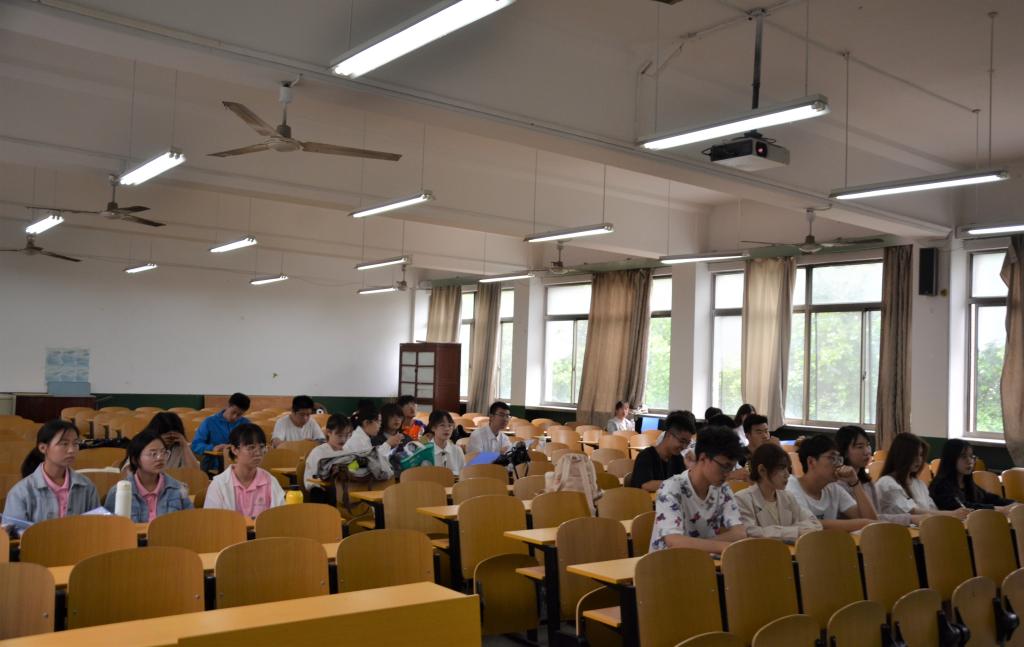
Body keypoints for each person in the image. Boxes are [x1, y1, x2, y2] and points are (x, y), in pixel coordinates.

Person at [649, 426, 747, 554]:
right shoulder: (671, 488)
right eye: (724, 466)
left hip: (704, 561)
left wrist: (699, 545)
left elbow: (739, 533)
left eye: (731, 468)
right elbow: (674, 542)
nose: (727, 474)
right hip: (668, 561)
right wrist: (724, 546)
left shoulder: (722, 489)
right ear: (703, 458)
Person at [3, 420, 99, 530]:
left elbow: (96, 527)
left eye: (76, 443)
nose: (72, 450)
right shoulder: (21, 492)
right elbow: (12, 535)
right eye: (64, 444)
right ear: (43, 448)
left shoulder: (87, 486)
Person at [786, 434, 877, 531]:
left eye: (839, 459)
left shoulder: (833, 489)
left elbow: (872, 521)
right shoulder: (791, 486)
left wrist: (855, 482)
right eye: (832, 458)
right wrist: (865, 523)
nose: (838, 464)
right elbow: (809, 524)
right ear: (811, 462)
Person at [735, 443, 821, 542]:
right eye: (781, 468)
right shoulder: (742, 499)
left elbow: (815, 524)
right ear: (762, 470)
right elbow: (749, 532)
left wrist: (777, 532)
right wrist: (795, 532)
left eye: (788, 468)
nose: (787, 474)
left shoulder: (788, 496)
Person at [104, 429, 192, 522]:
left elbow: (190, 522)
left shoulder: (178, 489)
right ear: (135, 460)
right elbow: (109, 526)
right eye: (153, 454)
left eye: (163, 452)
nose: (160, 458)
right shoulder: (118, 492)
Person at [875, 433, 968, 520]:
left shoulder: (919, 484)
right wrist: (952, 514)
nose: (919, 460)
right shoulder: (887, 483)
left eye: (920, 455)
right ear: (902, 455)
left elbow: (932, 509)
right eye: (914, 455)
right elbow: (912, 511)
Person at [835, 425, 913, 525]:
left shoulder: (868, 483)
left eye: (868, 445)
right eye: (860, 447)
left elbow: (877, 517)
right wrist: (910, 518)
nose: (867, 452)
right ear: (845, 452)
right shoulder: (838, 484)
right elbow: (870, 519)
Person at [203, 423, 285, 518]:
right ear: (234, 449)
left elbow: (280, 518)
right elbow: (212, 521)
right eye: (251, 447)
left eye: (262, 447)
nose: (258, 453)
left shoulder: (270, 481)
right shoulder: (219, 484)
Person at [930, 439, 1016, 512]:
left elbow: (989, 498)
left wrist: (1013, 504)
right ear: (951, 459)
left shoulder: (966, 482)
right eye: (963, 456)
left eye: (971, 456)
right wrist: (998, 509)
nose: (969, 461)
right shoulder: (940, 486)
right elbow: (963, 508)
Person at [629, 410, 693, 491]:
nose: (684, 446)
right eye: (682, 441)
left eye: (687, 443)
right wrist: (677, 483)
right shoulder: (646, 456)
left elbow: (686, 482)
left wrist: (690, 467)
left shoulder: (677, 458)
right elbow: (646, 485)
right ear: (669, 435)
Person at [191, 393, 251, 471]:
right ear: (228, 406)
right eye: (233, 412)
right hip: (212, 467)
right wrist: (213, 448)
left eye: (239, 415)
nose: (235, 417)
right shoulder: (209, 422)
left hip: (238, 466)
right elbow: (196, 445)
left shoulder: (246, 424)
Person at [304, 414, 354, 505]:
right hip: (324, 492)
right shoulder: (318, 452)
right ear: (328, 432)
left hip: (345, 489)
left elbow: (353, 469)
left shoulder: (349, 452)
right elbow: (310, 480)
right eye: (339, 435)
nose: (344, 439)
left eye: (347, 435)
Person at [343, 406, 400, 481]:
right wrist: (388, 444)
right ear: (366, 423)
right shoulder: (358, 440)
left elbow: (370, 459)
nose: (380, 425)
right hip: (351, 480)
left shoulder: (362, 437)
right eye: (378, 421)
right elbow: (372, 461)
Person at [428, 410, 465, 476]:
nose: (447, 429)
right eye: (442, 425)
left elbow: (463, 475)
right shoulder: (425, 451)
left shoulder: (457, 450)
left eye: (450, 425)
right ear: (433, 428)